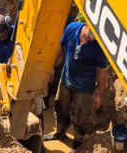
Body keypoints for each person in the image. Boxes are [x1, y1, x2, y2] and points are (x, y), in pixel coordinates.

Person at [44, 20, 108, 150]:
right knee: (60, 107)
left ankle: (77, 144)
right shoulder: (71, 28)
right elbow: (60, 48)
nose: (91, 39)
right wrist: (51, 65)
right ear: (86, 25)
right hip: (66, 80)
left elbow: (102, 73)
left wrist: (99, 95)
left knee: (81, 117)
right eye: (90, 35)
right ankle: (59, 132)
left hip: (84, 88)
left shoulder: (99, 47)